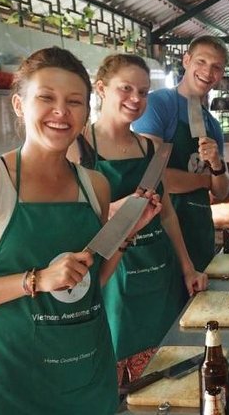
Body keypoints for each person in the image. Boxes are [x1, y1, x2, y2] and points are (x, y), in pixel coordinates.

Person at [0, 47, 160, 414]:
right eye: (46, 98)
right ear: (19, 105)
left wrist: (125, 233)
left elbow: (90, 281)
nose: (61, 112)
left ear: (87, 111)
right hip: (10, 382)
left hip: (86, 372)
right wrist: (35, 280)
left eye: (74, 101)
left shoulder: (96, 186)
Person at [67, 54, 208, 385]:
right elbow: (74, 222)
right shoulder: (78, 148)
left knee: (163, 372)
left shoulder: (152, 147)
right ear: (101, 89)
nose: (136, 99)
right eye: (126, 88)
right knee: (115, 371)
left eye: (143, 92)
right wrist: (117, 211)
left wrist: (188, 268)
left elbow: (168, 213)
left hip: (159, 270)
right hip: (112, 275)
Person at [132, 35, 229, 272]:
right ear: (186, 60)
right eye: (201, 61)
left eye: (216, 67)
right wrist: (205, 179)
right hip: (162, 225)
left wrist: (216, 164)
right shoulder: (159, 104)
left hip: (199, 229)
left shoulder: (211, 124)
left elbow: (223, 190)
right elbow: (154, 178)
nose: (208, 72)